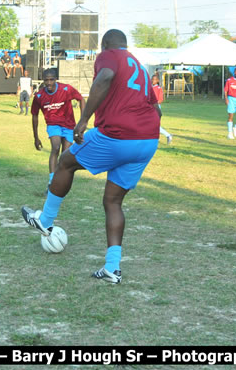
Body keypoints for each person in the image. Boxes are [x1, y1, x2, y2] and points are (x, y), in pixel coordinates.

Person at [21, 29, 161, 285]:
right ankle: (112, 268)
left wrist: (83, 119)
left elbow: (105, 77)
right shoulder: (139, 67)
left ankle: (45, 220)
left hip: (118, 136)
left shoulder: (110, 56)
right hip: (148, 140)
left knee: (65, 162)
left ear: (106, 45)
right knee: (113, 202)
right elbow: (156, 107)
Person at [31, 68, 85, 186]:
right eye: (46, 80)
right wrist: (36, 137)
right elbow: (34, 116)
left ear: (56, 79)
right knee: (55, 147)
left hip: (69, 125)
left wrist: (82, 121)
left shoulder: (66, 89)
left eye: (51, 80)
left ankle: (60, 181)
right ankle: (51, 181)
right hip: (53, 124)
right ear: (43, 81)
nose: (49, 83)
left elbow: (81, 99)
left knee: (65, 155)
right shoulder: (39, 96)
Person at [151, 74, 173, 144]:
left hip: (156, 107)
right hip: (151, 107)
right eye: (152, 79)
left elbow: (160, 99)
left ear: (157, 81)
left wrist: (155, 104)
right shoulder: (150, 88)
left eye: (154, 79)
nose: (152, 81)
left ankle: (168, 135)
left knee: (155, 125)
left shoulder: (159, 89)